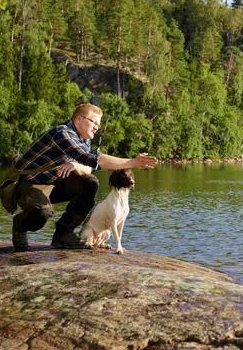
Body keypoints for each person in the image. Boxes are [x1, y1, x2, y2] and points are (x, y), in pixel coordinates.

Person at [11, 103, 158, 251]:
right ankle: (19, 225)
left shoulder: (84, 138)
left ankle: (64, 234)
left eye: (98, 125)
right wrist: (132, 162)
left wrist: (76, 166)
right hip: (27, 184)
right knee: (41, 214)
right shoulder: (62, 133)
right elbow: (93, 159)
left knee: (90, 183)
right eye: (93, 122)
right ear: (79, 119)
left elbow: (88, 168)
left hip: (53, 183)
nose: (96, 127)